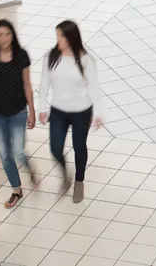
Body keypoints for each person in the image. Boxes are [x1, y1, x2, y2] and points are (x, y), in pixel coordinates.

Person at [39, 20, 102, 203]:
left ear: (71, 37)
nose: (57, 39)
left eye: (61, 35)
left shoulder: (86, 60)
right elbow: (44, 83)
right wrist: (42, 108)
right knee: (55, 148)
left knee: (79, 146)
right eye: (57, 35)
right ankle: (65, 173)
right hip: (58, 109)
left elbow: (95, 88)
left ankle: (79, 181)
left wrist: (98, 113)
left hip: (81, 110)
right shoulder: (51, 56)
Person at [0, 19, 36, 209]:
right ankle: (16, 190)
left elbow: (27, 85)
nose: (4, 39)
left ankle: (29, 167)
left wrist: (32, 112)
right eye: (0, 35)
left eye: (8, 34)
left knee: (18, 151)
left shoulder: (21, 56)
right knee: (5, 155)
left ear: (13, 34)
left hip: (18, 112)